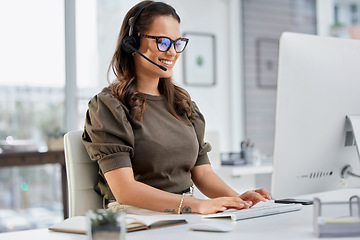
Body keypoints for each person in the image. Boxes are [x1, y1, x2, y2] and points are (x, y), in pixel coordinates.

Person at [82, 0, 272, 215]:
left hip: (183, 214)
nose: (172, 52)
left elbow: (202, 174)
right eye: (162, 42)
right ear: (132, 43)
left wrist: (236, 199)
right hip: (135, 216)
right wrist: (197, 205)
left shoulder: (182, 104)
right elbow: (125, 190)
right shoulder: (110, 106)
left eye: (177, 43)